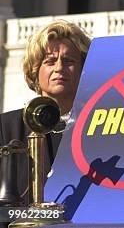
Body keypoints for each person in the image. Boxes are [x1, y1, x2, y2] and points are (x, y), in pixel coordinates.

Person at [0, 21, 91, 200]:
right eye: (50, 61)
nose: (59, 68)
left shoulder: (98, 124)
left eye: (68, 61)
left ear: (83, 70)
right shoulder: (5, 127)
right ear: (35, 70)